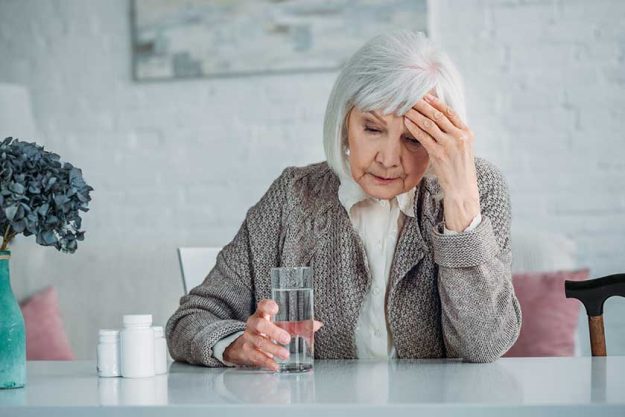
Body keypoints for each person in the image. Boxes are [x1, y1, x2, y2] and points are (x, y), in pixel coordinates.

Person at [166, 30, 521, 371]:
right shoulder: (293, 195)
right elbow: (190, 320)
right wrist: (235, 345)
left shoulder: (477, 190)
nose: (388, 159)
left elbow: (483, 345)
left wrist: (460, 205)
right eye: (372, 128)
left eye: (414, 139)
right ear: (344, 121)